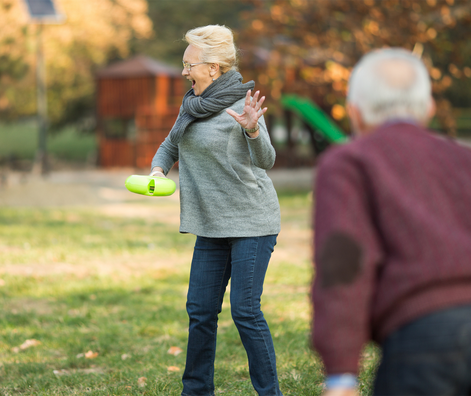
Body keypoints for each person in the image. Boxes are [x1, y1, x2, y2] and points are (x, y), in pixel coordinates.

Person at [312, 48, 471, 396]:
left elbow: (343, 265)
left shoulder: (350, 162)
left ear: (354, 113)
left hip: (424, 342)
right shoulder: (464, 159)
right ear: (429, 109)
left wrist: (341, 374)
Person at [150, 25, 283, 396]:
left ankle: (270, 393)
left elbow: (267, 161)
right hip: (211, 226)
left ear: (213, 67)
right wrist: (158, 169)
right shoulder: (190, 105)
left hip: (251, 223)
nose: (183, 72)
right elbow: (170, 142)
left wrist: (252, 131)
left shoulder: (242, 104)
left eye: (188, 64)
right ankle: (195, 391)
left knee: (245, 310)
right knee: (200, 311)